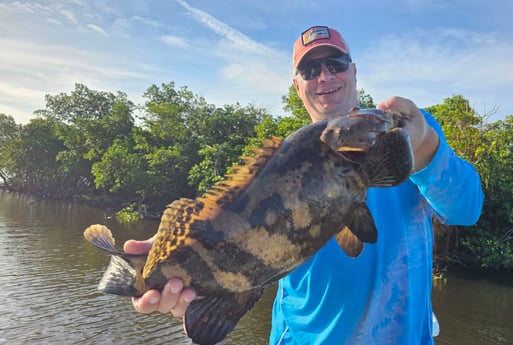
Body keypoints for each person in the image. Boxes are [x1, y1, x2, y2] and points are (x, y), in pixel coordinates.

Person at [126, 25, 484, 344]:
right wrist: (177, 249)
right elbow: (227, 213)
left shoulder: (407, 131)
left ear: (354, 70)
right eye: (310, 70)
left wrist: (425, 147)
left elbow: (467, 209)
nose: (325, 76)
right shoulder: (281, 160)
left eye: (336, 63)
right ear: (297, 86)